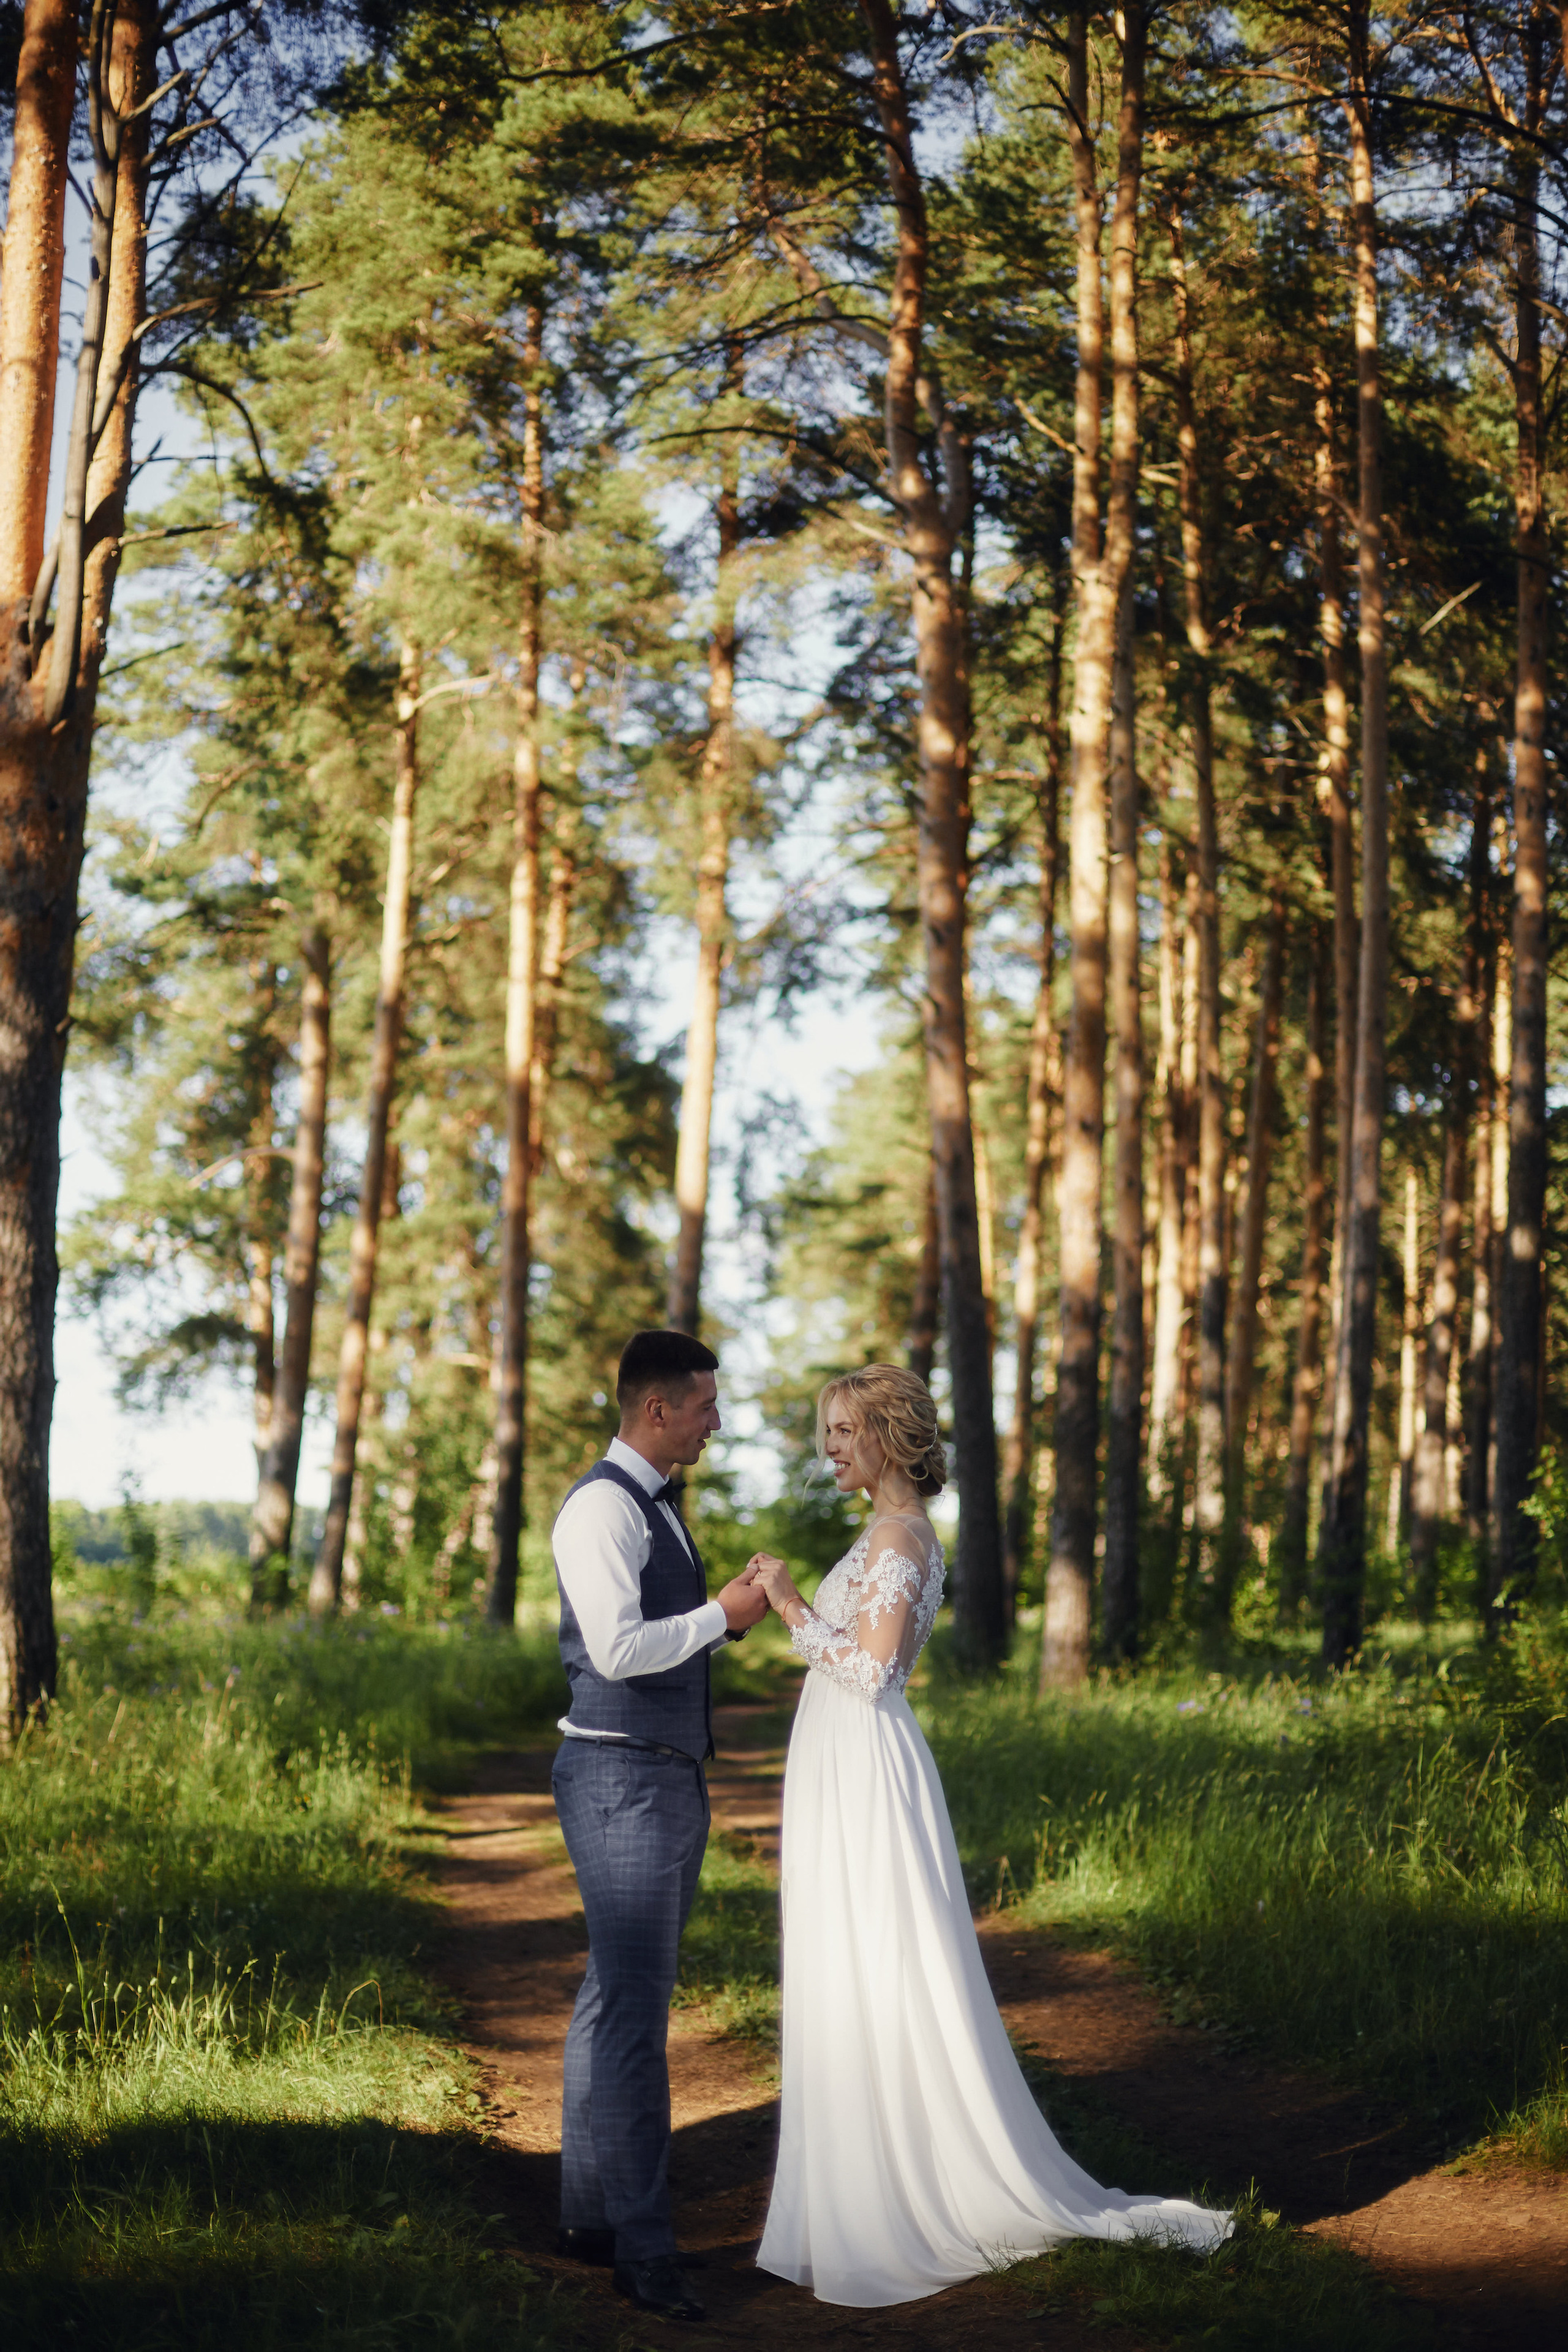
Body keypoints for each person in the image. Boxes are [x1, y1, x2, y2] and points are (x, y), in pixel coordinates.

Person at [746, 1363, 1233, 2308]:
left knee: (877, 1963)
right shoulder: (884, 1532)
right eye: (829, 1432)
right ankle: (860, 2175)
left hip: (866, 1764)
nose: (830, 1449)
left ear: (888, 1435)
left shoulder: (898, 1534)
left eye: (845, 1431)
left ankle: (908, 2184)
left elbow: (875, 1671)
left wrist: (792, 1605)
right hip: (842, 1764)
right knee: (845, 1964)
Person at [551, 1328, 768, 2324]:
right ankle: (645, 2252)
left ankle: (592, 2214)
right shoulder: (603, 1507)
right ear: (658, 1410)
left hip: (659, 1776)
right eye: (708, 1405)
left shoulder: (654, 1506)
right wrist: (723, 1616)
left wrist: (726, 1612)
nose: (717, 1420)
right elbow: (622, 1650)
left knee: (611, 2000)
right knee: (636, 2021)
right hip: (622, 1781)